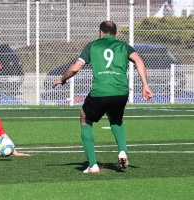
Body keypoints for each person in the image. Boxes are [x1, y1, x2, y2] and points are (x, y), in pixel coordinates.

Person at [52, 21, 153, 173]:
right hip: (121, 92)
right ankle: (122, 150)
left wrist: (63, 79)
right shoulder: (124, 46)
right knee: (115, 118)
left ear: (100, 32)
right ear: (116, 34)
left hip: (100, 91)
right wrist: (145, 85)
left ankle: (92, 165)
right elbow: (139, 61)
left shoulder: (92, 46)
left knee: (85, 118)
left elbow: (75, 68)